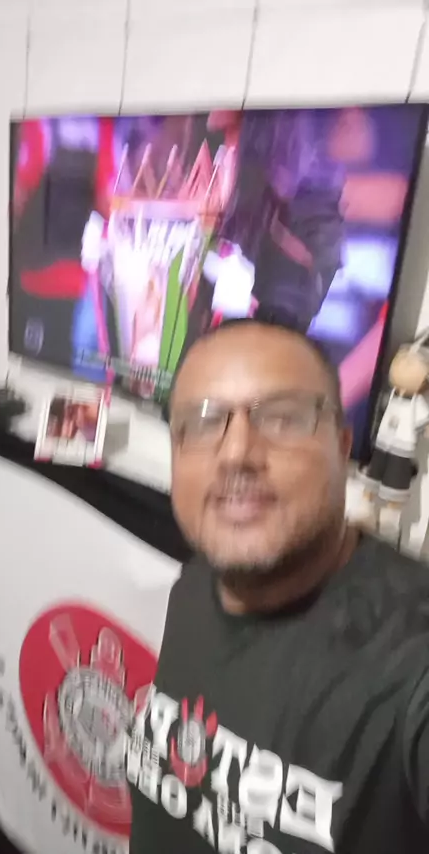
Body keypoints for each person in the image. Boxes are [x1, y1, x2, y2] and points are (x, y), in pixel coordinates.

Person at [127, 318, 429, 854]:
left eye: (283, 418)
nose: (236, 453)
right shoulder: (195, 585)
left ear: (343, 447)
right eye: (203, 422)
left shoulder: (410, 655)